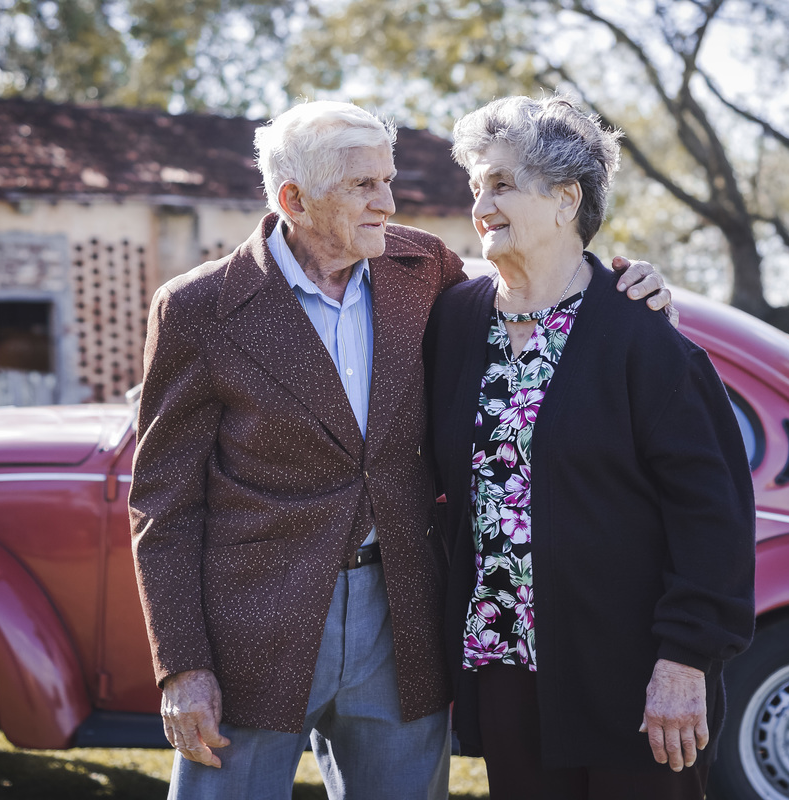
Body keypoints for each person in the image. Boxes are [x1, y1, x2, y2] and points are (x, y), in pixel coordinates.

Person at [128, 99, 673, 800]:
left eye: (387, 180)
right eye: (363, 186)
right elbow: (163, 505)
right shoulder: (198, 309)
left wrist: (631, 287)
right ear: (294, 199)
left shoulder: (424, 271)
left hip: (403, 618)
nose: (387, 202)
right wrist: (183, 666)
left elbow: (535, 296)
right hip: (252, 634)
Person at [423, 95, 756, 800]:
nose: (481, 202)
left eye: (502, 184)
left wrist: (685, 661)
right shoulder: (454, 321)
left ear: (565, 198)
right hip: (506, 670)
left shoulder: (642, 338)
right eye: (477, 185)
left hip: (631, 677)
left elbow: (713, 517)